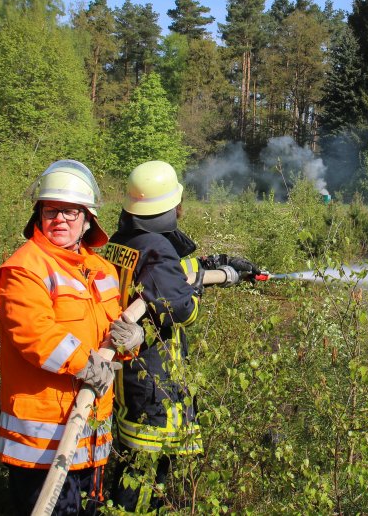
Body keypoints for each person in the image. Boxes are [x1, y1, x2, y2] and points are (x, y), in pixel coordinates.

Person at [0, 159, 143, 515]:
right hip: (42, 446)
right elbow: (35, 335)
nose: (60, 219)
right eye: (51, 211)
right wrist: (87, 364)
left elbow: (111, 333)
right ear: (39, 216)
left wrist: (132, 340)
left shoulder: (101, 269)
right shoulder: (24, 268)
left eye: (71, 212)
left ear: (88, 220)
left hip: (91, 436)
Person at [101, 160, 259, 512]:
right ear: (171, 206)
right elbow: (182, 310)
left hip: (128, 378)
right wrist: (197, 288)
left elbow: (159, 278)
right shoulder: (157, 247)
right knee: (143, 480)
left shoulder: (121, 242)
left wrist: (212, 265)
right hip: (154, 382)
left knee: (133, 469)